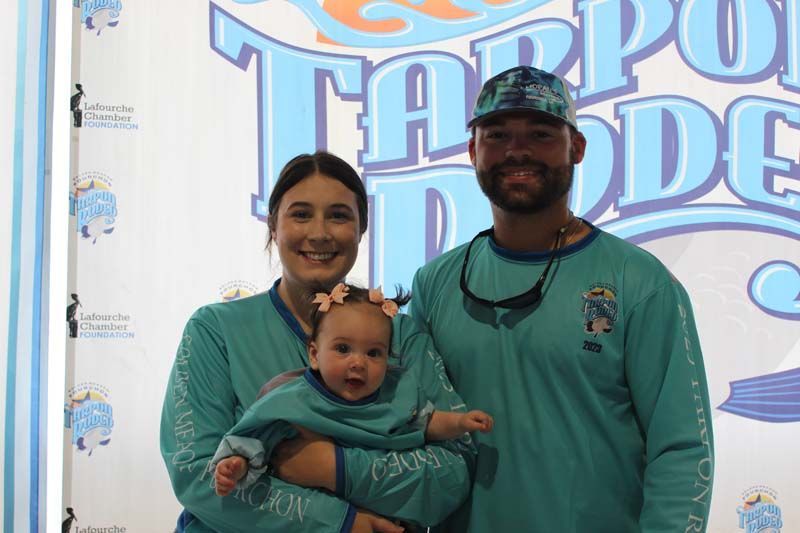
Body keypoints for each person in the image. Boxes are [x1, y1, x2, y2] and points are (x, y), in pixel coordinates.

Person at [409, 66, 715, 532]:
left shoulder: (639, 282)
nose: (517, 150)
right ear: (473, 151)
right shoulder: (434, 284)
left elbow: (683, 449)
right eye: (497, 135)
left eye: (541, 133)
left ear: (578, 147)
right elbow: (407, 430)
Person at [160, 151, 476, 533]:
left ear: (361, 229)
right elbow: (197, 474)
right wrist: (341, 523)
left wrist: (335, 468)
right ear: (273, 225)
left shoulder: (403, 337)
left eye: (339, 215)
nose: (320, 232)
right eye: (301, 214)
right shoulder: (216, 331)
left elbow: (454, 472)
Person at [212, 283, 493, 504]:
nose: (358, 363)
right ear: (314, 354)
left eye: (373, 353)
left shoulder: (396, 395)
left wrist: (460, 423)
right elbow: (253, 440)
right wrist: (236, 465)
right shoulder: (289, 400)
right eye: (343, 349)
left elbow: (428, 422)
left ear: (389, 358)